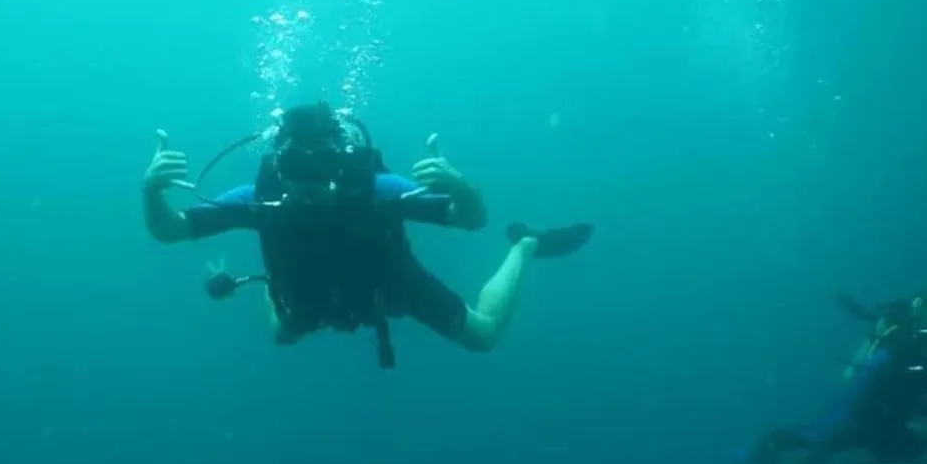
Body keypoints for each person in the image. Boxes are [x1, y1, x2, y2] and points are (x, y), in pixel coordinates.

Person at [141, 102, 593, 367]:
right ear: (278, 164)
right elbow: (169, 229)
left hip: (390, 281)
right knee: (281, 332)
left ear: (339, 160)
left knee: (484, 336)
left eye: (321, 166)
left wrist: (460, 186)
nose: (310, 181)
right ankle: (270, 282)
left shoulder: (375, 190)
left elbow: (469, 219)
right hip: (303, 291)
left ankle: (525, 245)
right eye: (297, 167)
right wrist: (152, 191)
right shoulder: (258, 200)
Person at [745, 283, 927, 464]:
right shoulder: (898, 352)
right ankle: (767, 446)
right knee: (842, 436)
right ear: (920, 328)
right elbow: (851, 400)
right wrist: (817, 438)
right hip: (887, 422)